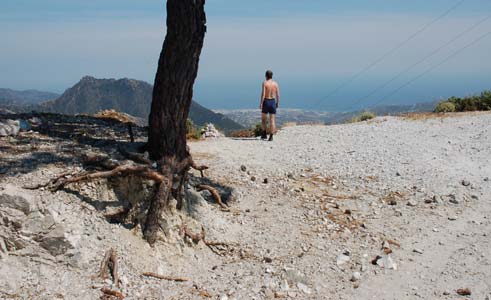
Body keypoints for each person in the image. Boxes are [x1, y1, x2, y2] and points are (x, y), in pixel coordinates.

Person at [259, 70, 280, 141]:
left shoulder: (265, 83)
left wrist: (261, 103)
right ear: (272, 76)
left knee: (264, 119)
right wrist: (277, 103)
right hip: (273, 101)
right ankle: (271, 136)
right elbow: (278, 95)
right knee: (272, 120)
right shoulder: (275, 84)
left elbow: (263, 94)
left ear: (266, 76)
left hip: (266, 101)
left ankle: (264, 134)